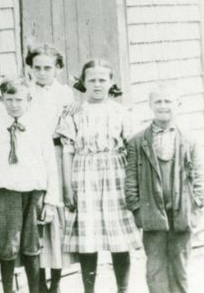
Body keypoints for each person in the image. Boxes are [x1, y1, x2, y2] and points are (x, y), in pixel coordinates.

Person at [57, 59, 141, 293]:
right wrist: (67, 188)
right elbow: (67, 151)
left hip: (116, 175)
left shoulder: (121, 112)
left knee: (118, 235)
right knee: (88, 236)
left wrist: (133, 186)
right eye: (91, 80)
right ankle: (89, 289)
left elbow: (133, 150)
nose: (97, 85)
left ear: (111, 82)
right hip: (84, 176)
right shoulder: (74, 113)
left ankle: (123, 288)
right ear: (83, 82)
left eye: (102, 80)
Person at [125, 85, 204, 293]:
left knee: (180, 266)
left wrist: (196, 205)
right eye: (158, 102)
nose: (163, 106)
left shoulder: (189, 140)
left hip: (182, 212)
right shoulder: (137, 141)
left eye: (168, 101)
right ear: (150, 105)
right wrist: (137, 209)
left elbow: (198, 176)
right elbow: (131, 178)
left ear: (178, 104)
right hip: (152, 215)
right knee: (155, 267)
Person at [0, 78, 59, 293]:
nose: (14, 104)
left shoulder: (39, 127)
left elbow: (50, 166)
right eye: (9, 99)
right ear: (2, 100)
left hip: (35, 195)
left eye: (19, 99)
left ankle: (34, 289)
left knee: (32, 245)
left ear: (28, 100)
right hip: (6, 195)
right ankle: (8, 290)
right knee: (7, 245)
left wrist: (51, 202)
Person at [26, 45, 78, 293]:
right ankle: (39, 282)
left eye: (48, 68)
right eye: (37, 68)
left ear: (57, 69)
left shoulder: (65, 94)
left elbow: (68, 127)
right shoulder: (26, 92)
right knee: (37, 215)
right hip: (32, 157)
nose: (42, 72)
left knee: (56, 217)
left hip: (56, 156)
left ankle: (56, 281)